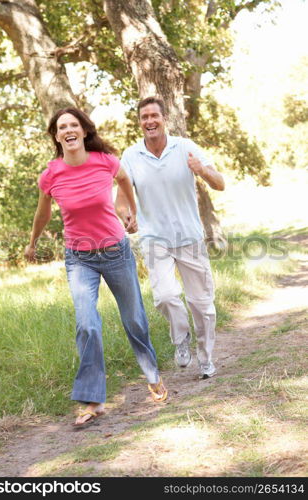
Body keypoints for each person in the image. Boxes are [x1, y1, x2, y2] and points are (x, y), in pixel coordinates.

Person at [25, 107, 167, 429]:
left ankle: (153, 375)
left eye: (74, 124)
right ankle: (92, 400)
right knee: (87, 324)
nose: (69, 130)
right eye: (62, 127)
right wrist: (32, 242)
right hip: (79, 257)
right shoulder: (51, 175)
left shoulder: (105, 161)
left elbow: (125, 180)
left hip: (115, 250)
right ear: (57, 135)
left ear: (84, 131)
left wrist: (130, 210)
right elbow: (43, 214)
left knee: (133, 318)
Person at [115, 96, 225, 379]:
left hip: (189, 236)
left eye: (154, 116)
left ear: (165, 119)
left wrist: (202, 170)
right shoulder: (130, 155)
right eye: (144, 117)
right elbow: (121, 200)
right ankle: (181, 339)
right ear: (139, 123)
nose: (149, 121)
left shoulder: (185, 147)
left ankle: (206, 357)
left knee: (201, 304)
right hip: (155, 239)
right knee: (165, 296)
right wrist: (126, 216)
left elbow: (220, 183)